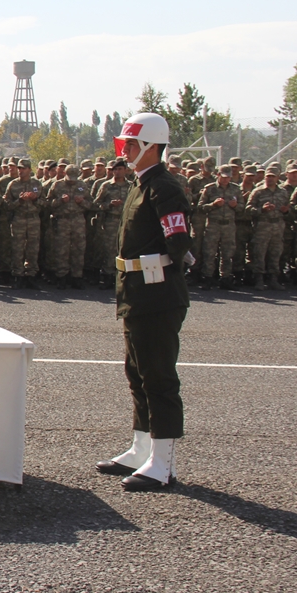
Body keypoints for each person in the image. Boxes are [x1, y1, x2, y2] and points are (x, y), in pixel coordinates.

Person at [96, 112, 191, 492]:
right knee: (137, 373)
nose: (127, 150)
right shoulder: (141, 184)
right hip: (137, 294)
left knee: (159, 378)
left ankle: (162, 464)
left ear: (152, 147)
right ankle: (140, 449)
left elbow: (179, 242)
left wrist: (160, 273)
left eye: (133, 145)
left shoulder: (164, 187)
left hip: (156, 295)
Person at [197, 165, 242, 290]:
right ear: (218, 175)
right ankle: (207, 278)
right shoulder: (210, 189)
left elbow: (242, 208)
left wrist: (235, 206)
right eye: (223, 177)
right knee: (209, 252)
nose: (226, 180)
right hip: (213, 224)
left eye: (228, 177)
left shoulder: (235, 189)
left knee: (227, 253)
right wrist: (213, 204)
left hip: (229, 225)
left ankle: (226, 278)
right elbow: (200, 207)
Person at [245, 167, 291, 291]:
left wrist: (285, 211)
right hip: (262, 226)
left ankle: (273, 280)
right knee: (259, 253)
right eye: (268, 176)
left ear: (277, 178)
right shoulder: (258, 191)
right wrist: (262, 210)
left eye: (273, 176)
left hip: (278, 227)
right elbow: (248, 209)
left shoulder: (283, 192)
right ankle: (259, 279)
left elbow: (288, 208)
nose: (270, 179)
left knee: (275, 253)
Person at [5, 158, 45, 289]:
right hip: (19, 219)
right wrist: (20, 201)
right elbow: (7, 205)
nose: (21, 171)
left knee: (33, 248)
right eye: (19, 168)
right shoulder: (13, 184)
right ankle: (18, 275)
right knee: (17, 248)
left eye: (23, 168)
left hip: (33, 219)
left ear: (29, 169)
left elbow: (45, 204)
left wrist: (35, 199)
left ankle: (31, 275)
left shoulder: (37, 184)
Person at [93, 160, 131, 289]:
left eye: (120, 169)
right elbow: (96, 204)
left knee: (126, 248)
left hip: (126, 221)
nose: (117, 172)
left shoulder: (131, 186)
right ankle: (108, 277)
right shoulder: (106, 186)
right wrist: (109, 204)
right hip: (110, 221)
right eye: (115, 169)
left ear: (125, 170)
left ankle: (123, 277)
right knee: (110, 249)